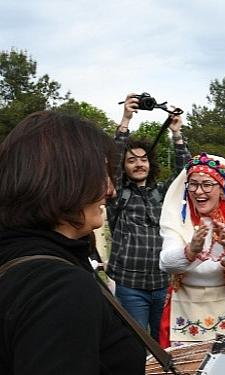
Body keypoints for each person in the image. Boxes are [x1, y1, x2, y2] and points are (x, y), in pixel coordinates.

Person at [0, 111, 145, 374]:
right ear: (65, 180)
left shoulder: (17, 257)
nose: (110, 190)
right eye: (101, 174)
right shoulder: (59, 286)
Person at [106, 93, 190, 341]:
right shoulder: (118, 193)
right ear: (124, 166)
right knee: (136, 344)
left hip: (163, 283)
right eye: (131, 160)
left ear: (151, 163)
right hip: (129, 286)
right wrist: (125, 121)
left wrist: (176, 134)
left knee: (166, 342)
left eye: (143, 159)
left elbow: (185, 173)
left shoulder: (163, 193)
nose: (138, 164)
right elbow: (111, 165)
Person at [158, 153, 225, 347]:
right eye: (193, 184)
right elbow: (165, 263)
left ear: (221, 188)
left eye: (207, 184)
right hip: (185, 306)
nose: (199, 191)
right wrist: (191, 250)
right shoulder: (177, 218)